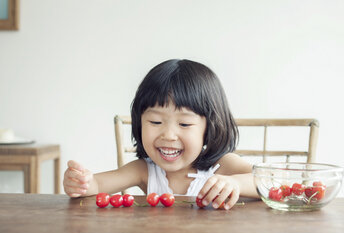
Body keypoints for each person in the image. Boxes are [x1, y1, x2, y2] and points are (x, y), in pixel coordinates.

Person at [63, 59, 259, 210]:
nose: (169, 135)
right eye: (155, 122)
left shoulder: (223, 166)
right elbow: (97, 185)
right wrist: (82, 183)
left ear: (210, 127)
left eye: (184, 123)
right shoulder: (144, 170)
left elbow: (273, 181)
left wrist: (236, 183)